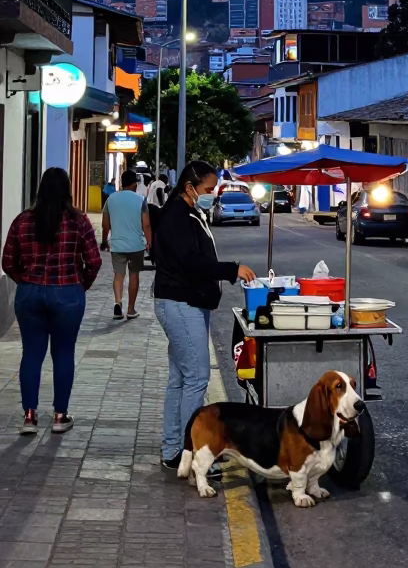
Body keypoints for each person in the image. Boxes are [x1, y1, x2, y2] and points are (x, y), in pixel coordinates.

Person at [153, 160, 255, 471]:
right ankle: (195, 453)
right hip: (181, 303)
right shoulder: (176, 217)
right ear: (189, 187)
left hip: (187, 302)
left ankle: (174, 450)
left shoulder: (188, 213)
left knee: (181, 378)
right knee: (196, 378)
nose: (211, 194)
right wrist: (231, 269)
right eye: (208, 190)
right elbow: (193, 262)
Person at [1, 167, 102, 435]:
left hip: (30, 293)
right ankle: (60, 416)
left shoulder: (22, 221)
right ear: (67, 189)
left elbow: (7, 261)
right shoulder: (78, 221)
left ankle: (29, 416)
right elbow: (93, 261)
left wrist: (24, 279)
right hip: (67, 292)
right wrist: (81, 286)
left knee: (31, 354)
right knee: (63, 354)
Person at [101, 169, 151, 321]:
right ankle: (130, 309)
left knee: (118, 274)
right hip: (136, 245)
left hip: (117, 244)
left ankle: (118, 302)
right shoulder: (141, 199)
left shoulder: (111, 199)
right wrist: (150, 242)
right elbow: (146, 225)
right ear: (135, 184)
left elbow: (105, 224)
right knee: (134, 275)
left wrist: (104, 241)